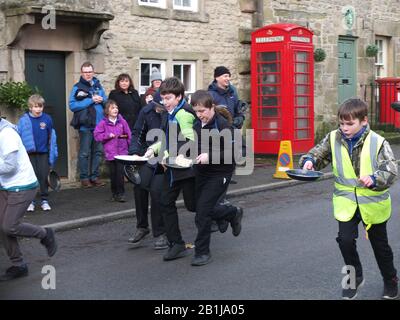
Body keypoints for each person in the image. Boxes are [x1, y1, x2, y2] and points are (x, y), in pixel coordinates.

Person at [299, 98, 398, 300]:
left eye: (349, 123)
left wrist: (374, 178)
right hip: (346, 203)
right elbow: (317, 154)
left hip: (373, 203)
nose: (344, 128)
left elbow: (391, 171)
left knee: (380, 247)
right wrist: (309, 162)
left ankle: (391, 282)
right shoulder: (333, 137)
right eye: (341, 123)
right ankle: (354, 279)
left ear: (363, 121)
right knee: (344, 241)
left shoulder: (378, 142)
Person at [144, 77, 196, 261]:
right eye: (163, 98)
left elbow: (192, 140)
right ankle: (177, 244)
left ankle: (228, 213)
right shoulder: (171, 113)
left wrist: (168, 156)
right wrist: (154, 149)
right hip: (173, 169)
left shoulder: (184, 114)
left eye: (168, 98)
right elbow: (167, 138)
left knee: (194, 206)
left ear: (179, 96)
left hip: (187, 169)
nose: (165, 102)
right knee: (165, 201)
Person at [0, 116, 57, 281]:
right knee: (2, 225)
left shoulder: (7, 135)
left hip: (22, 185)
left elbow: (10, 166)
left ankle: (45, 234)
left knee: (10, 226)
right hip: (5, 186)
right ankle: (18, 265)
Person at [190, 90, 243, 266]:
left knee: (203, 212)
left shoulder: (223, 126)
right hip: (202, 172)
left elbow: (234, 153)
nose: (199, 115)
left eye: (202, 111)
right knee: (203, 208)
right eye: (196, 112)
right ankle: (232, 212)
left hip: (220, 173)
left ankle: (202, 252)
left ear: (211, 107)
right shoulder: (197, 125)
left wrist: (209, 156)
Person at [127, 91, 168, 250]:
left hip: (165, 156)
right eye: (157, 106)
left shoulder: (171, 113)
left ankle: (161, 233)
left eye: (161, 107)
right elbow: (138, 132)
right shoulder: (147, 111)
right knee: (140, 185)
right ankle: (142, 226)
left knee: (157, 192)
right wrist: (134, 152)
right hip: (148, 155)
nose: (159, 110)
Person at [69, 61, 107, 188]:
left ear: (93, 72)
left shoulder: (98, 86)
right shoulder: (77, 87)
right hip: (85, 126)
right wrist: (90, 100)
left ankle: (94, 177)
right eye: (85, 72)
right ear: (82, 73)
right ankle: (84, 178)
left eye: (90, 71)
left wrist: (103, 100)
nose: (88, 74)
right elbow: (72, 105)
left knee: (97, 152)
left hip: (99, 125)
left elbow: (106, 103)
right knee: (85, 153)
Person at [17, 94, 58, 212]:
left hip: (43, 152)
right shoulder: (24, 120)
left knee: (43, 176)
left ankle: (44, 200)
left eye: (40, 107)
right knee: (31, 178)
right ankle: (31, 201)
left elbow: (52, 136)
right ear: (30, 107)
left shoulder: (47, 119)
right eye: (35, 107)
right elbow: (19, 137)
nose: (38, 109)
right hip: (29, 154)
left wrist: (53, 151)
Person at [94, 100, 131, 202]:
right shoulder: (103, 123)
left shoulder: (122, 122)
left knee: (120, 174)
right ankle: (114, 193)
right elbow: (97, 136)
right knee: (113, 175)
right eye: (112, 108)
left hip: (122, 153)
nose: (115, 109)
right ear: (107, 111)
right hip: (111, 153)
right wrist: (107, 136)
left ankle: (121, 194)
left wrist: (130, 148)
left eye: (116, 108)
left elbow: (129, 135)